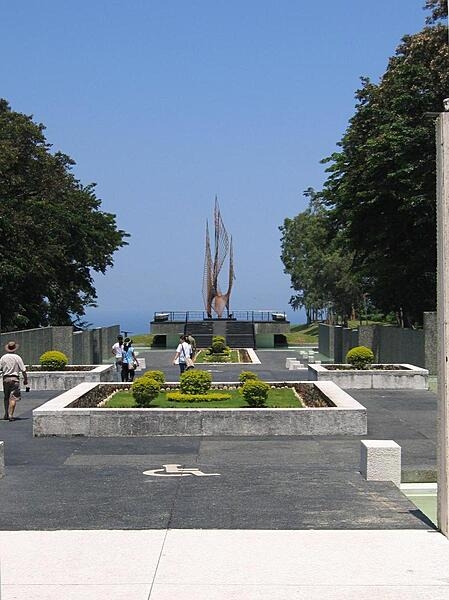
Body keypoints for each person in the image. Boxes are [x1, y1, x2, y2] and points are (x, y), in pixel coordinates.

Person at [0, 341, 28, 422]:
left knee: (6, 397)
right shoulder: (17, 357)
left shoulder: (3, 357)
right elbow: (23, 370)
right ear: (14, 348)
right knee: (13, 397)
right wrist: (25, 379)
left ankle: (5, 414)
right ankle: (11, 415)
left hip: (6, 379)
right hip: (15, 379)